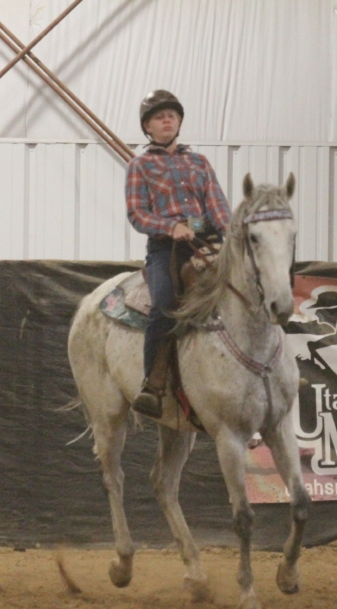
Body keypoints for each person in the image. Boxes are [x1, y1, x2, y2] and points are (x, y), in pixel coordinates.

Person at [126, 90, 231, 418]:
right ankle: (153, 384)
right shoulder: (140, 165)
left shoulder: (199, 162)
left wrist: (232, 236)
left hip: (206, 242)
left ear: (179, 121)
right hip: (166, 249)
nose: (167, 120)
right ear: (148, 127)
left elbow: (217, 207)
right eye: (159, 117)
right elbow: (137, 214)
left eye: (172, 115)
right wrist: (171, 227)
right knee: (164, 304)